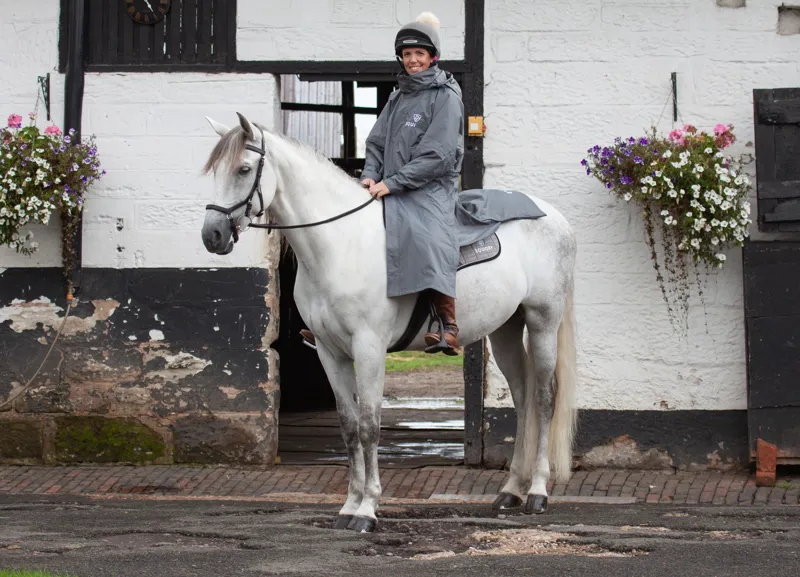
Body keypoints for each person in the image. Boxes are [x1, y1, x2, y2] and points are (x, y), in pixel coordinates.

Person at [301, 11, 465, 355]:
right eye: (407, 55)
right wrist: (370, 175)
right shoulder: (398, 96)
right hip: (389, 183)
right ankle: (333, 320)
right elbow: (376, 143)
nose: (413, 60)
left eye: (419, 54)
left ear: (432, 57)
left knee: (427, 236)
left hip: (429, 189)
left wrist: (393, 183)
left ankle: (447, 323)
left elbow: (438, 154)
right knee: (346, 231)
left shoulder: (446, 96)